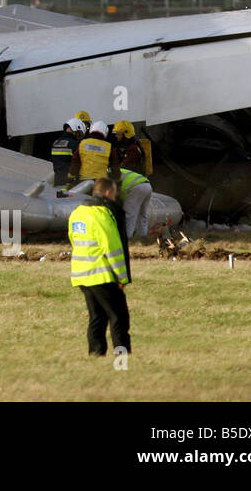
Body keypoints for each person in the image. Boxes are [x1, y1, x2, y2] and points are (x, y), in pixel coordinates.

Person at [69, 177, 131, 357]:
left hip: (82, 275)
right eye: (114, 193)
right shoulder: (101, 214)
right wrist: (122, 277)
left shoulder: (77, 212)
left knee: (97, 317)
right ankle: (122, 357)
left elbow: (74, 240)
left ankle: (95, 355)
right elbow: (112, 248)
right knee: (118, 317)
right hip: (102, 275)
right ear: (107, 192)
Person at [112, 121, 154, 237]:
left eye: (118, 133)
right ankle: (143, 237)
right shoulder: (131, 147)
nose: (116, 136)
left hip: (135, 187)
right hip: (145, 185)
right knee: (142, 214)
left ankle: (127, 237)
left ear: (126, 133)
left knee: (129, 214)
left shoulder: (133, 150)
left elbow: (124, 167)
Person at [68, 121, 117, 187]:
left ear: (91, 130)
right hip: (101, 184)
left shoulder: (82, 144)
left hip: (84, 183)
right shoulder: (109, 147)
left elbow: (75, 163)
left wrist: (70, 180)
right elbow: (115, 167)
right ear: (105, 132)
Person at [50, 118, 86, 187]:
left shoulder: (55, 143)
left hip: (57, 181)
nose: (79, 137)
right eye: (79, 133)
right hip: (70, 184)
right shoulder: (75, 144)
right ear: (75, 128)